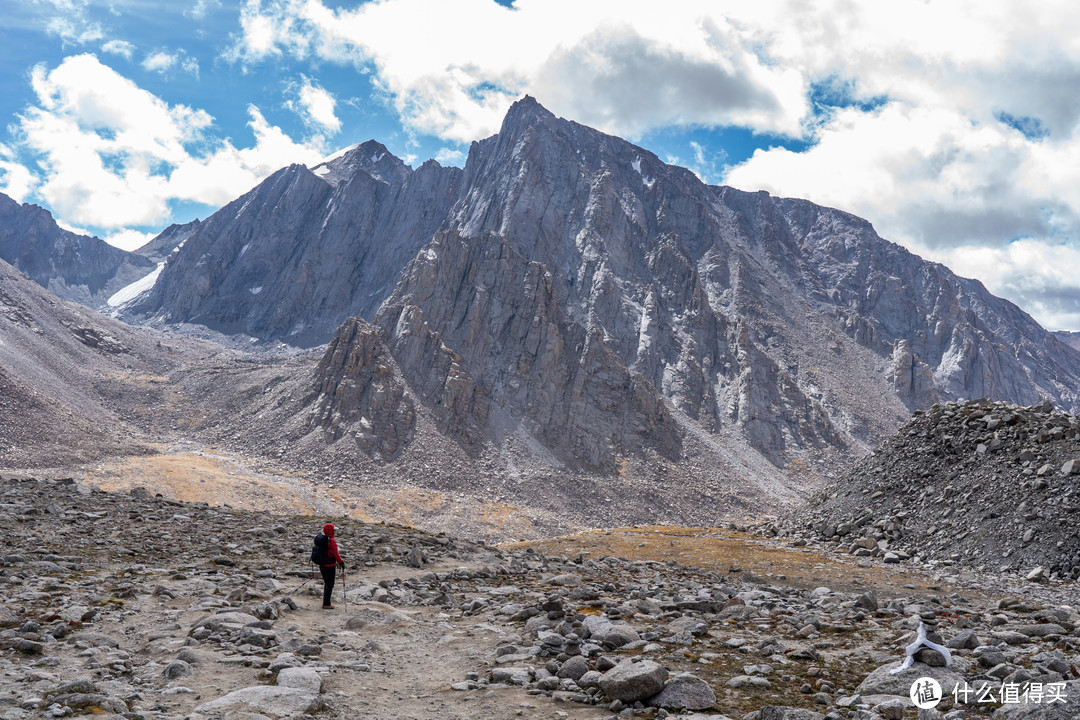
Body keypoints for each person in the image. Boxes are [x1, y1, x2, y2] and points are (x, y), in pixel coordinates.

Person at [313, 522, 345, 609]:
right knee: (330, 584)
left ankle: (326, 602)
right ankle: (326, 604)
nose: (335, 532)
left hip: (322, 565)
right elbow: (336, 554)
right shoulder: (331, 540)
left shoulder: (321, 540)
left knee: (326, 583)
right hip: (330, 565)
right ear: (330, 531)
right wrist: (341, 563)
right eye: (334, 530)